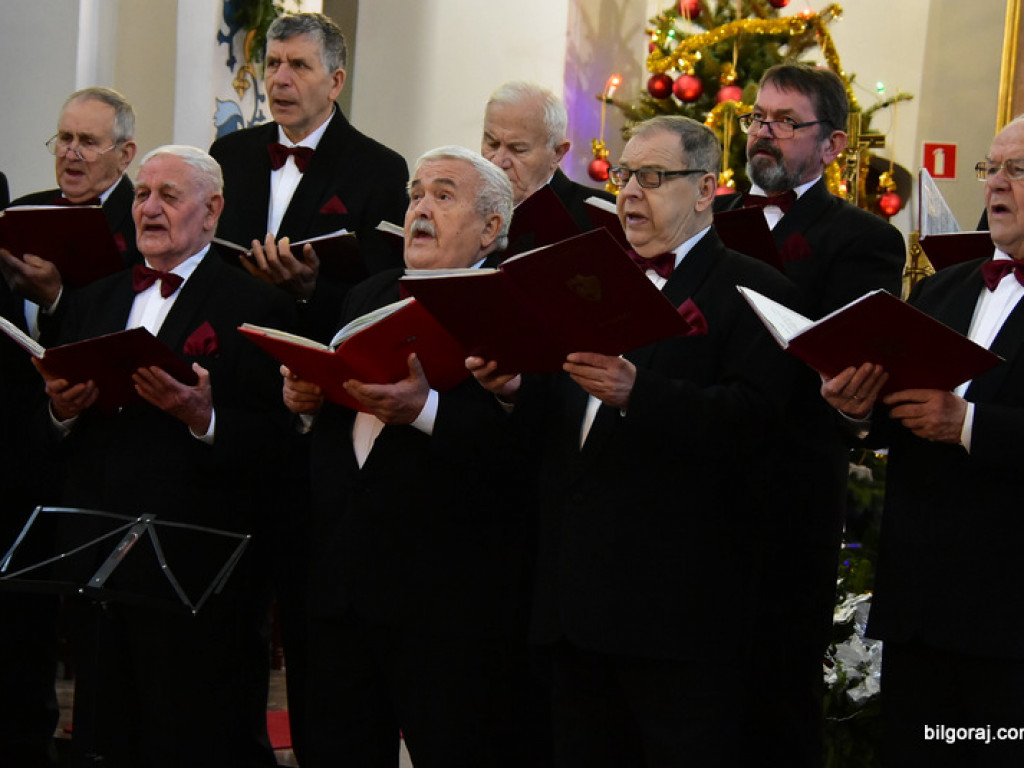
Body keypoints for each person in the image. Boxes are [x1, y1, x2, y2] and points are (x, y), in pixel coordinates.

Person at [469, 116, 804, 767]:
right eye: (623, 176)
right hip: (574, 606)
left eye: (652, 178)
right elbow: (563, 417)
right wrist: (513, 386)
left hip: (678, 612)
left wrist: (639, 392)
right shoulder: (585, 277)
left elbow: (758, 425)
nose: (628, 194)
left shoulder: (754, 290)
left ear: (706, 188)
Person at [32, 145, 296, 768]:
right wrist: (61, 410)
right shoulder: (90, 300)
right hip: (100, 556)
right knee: (104, 734)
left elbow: (280, 440)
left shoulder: (256, 308)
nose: (148, 208)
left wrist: (202, 416)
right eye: (141, 195)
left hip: (201, 569)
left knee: (197, 737)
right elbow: (51, 431)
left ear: (212, 212)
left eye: (168, 196)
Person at [284, 146, 544, 767]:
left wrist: (425, 412)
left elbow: (531, 447)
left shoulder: (515, 305)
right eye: (416, 194)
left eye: (443, 195)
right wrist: (308, 404)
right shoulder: (368, 293)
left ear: (491, 227)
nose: (420, 209)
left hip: (453, 606)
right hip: (346, 586)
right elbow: (343, 421)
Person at [713, 63, 908, 767]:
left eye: (785, 122)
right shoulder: (708, 216)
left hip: (786, 490)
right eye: (757, 118)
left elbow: (850, 356)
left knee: (774, 695)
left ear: (830, 147)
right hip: (696, 482)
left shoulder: (860, 237)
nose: (763, 133)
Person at [821, 115, 1024, 767]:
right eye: (990, 168)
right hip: (920, 608)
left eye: (1016, 170)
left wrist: (967, 424)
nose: (996, 184)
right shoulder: (943, 286)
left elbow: (951, 416)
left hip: (1009, 613)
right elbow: (903, 408)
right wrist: (856, 411)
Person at [211, 10, 409, 339]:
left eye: (299, 66)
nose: (281, 79)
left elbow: (380, 293)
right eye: (273, 63)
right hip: (229, 344)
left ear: (335, 82)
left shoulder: (380, 169)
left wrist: (308, 290)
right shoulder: (228, 153)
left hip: (314, 347)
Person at [0, 87, 141, 343]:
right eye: (66, 138)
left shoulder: (144, 226)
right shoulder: (19, 211)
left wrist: (55, 298)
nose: (70, 152)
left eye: (88, 142)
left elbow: (127, 328)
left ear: (125, 155)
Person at [482, 80, 614, 258]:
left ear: (557, 153)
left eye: (518, 149)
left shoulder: (602, 220)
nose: (498, 161)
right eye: (492, 143)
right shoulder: (462, 208)